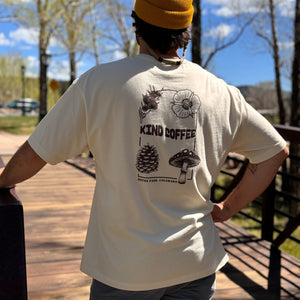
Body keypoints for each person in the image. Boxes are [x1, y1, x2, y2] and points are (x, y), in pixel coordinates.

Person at [0, 0, 289, 299]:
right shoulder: (222, 93)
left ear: (137, 27)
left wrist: (3, 181)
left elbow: (36, 152)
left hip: (124, 270)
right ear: (184, 32)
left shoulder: (98, 83)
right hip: (196, 263)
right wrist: (228, 209)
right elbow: (275, 151)